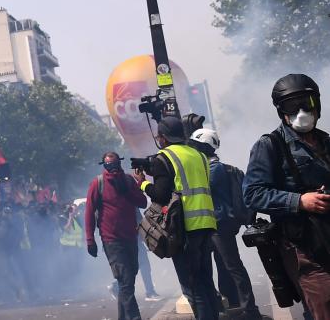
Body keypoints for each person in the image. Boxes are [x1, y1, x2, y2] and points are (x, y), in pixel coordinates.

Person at [243, 74, 330, 319]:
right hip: (304, 247)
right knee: (323, 306)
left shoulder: (326, 142)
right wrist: (300, 201)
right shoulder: (270, 145)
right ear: (282, 111)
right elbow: (252, 194)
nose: (302, 111)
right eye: (293, 105)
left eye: (307, 103)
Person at [133, 116, 220, 320]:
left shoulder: (164, 157)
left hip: (184, 228)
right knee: (206, 282)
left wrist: (142, 184)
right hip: (207, 223)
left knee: (193, 286)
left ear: (163, 138)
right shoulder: (198, 154)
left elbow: (161, 194)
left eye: (158, 136)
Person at [190, 128, 264, 319]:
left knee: (233, 266)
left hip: (219, 225)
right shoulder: (209, 166)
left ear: (203, 147)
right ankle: (232, 303)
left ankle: (250, 309)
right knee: (223, 265)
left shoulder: (214, 169)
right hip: (214, 224)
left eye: (196, 146)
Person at [86, 152, 148, 320]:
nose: (112, 169)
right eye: (108, 166)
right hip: (111, 239)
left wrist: (134, 187)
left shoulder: (128, 181)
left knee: (129, 278)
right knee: (125, 279)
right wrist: (90, 239)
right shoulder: (97, 183)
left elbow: (142, 202)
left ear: (120, 164)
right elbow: (89, 212)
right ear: (104, 166)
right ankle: (135, 317)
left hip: (131, 237)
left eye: (115, 165)